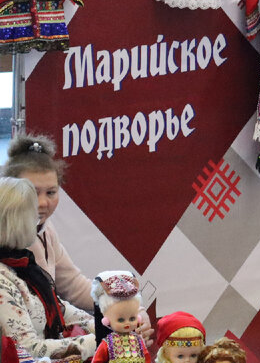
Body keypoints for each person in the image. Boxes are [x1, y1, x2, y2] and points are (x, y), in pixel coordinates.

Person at [3, 135, 153, 340]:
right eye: (32, 192)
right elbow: (27, 344)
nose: (42, 203)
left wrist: (129, 310)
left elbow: (73, 288)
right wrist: (105, 335)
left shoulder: (47, 231)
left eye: (51, 192)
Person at [0, 177, 96, 359]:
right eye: (32, 215)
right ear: (17, 223)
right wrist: (96, 341)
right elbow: (27, 350)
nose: (37, 221)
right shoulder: (4, 276)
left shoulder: (22, 263)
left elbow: (59, 307)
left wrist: (103, 325)